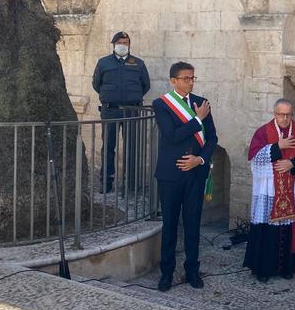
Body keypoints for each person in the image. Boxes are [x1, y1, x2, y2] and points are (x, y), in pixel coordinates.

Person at [152, 61, 217, 292]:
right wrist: (197, 120)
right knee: (170, 225)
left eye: (192, 78)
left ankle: (192, 270)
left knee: (192, 224)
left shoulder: (202, 103)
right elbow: (172, 136)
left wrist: (200, 160)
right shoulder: (161, 104)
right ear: (174, 81)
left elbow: (212, 138)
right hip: (171, 174)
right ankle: (167, 273)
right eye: (186, 78)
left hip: (195, 173)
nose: (190, 82)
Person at [244, 98, 295, 282]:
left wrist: (292, 163)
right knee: (266, 229)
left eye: (288, 115)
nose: (285, 118)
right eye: (281, 114)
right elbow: (255, 158)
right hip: (270, 189)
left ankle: (287, 267)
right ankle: (263, 269)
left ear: (292, 114)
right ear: (274, 114)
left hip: (291, 187)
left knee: (289, 226)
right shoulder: (263, 132)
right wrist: (278, 147)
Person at [91, 31, 150, 192]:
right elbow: (96, 84)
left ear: (129, 45)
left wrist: (131, 98)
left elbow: (145, 85)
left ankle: (130, 183)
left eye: (125, 43)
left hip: (132, 111)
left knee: (132, 147)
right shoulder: (103, 63)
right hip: (110, 110)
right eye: (119, 43)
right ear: (113, 45)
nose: (122, 45)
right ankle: (106, 183)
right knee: (108, 147)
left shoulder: (138, 63)